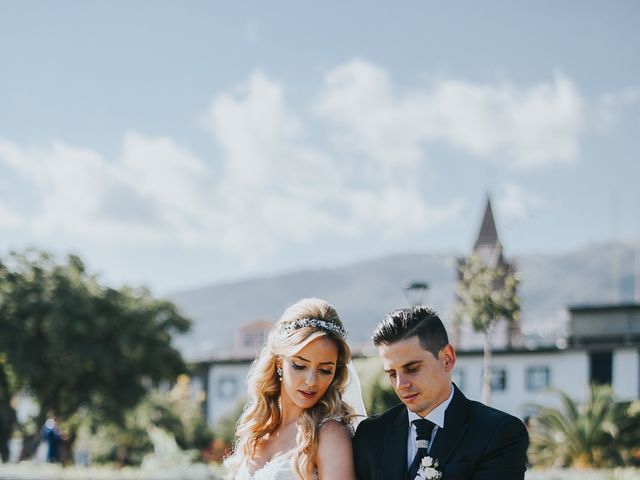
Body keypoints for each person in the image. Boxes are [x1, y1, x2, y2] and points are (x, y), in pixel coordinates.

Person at [353, 306, 528, 480]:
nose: (401, 384)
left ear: (447, 359)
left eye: (412, 369)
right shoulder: (370, 436)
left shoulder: (499, 432)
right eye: (392, 374)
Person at [224, 298, 365, 480]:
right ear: (278, 361)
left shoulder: (329, 434)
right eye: (299, 365)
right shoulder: (258, 430)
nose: (311, 381)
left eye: (324, 370)